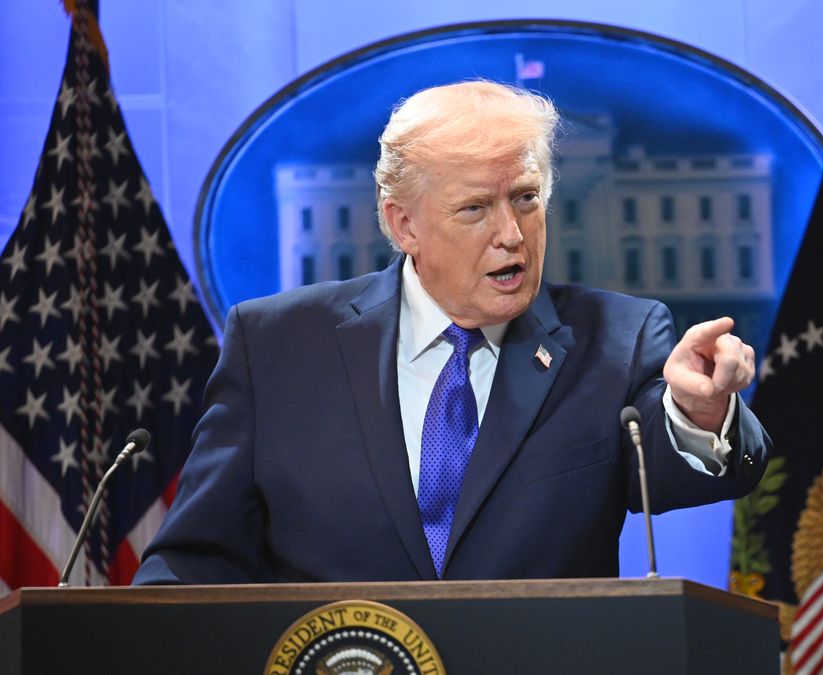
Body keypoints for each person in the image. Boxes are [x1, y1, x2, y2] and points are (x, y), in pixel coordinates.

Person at [133, 81, 769, 585]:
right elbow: (194, 562)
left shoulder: (617, 338)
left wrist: (699, 409)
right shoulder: (277, 347)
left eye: (525, 198)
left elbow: (683, 474)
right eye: (475, 208)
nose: (512, 235)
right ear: (402, 224)